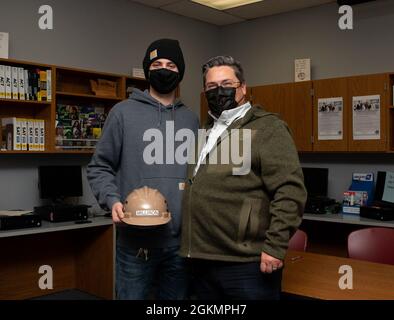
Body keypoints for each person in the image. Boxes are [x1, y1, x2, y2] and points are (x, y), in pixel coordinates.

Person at [179, 55, 307, 300]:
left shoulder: (269, 128)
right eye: (211, 87)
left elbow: (290, 191)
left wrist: (275, 247)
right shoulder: (205, 131)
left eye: (226, 84)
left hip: (246, 264)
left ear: (243, 88)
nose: (219, 91)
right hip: (201, 262)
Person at [87, 39, 199, 300]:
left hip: (181, 244)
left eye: (171, 65)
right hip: (135, 243)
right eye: (157, 64)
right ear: (147, 70)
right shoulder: (122, 113)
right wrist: (111, 200)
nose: (164, 69)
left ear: (180, 71)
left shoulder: (191, 119)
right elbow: (99, 166)